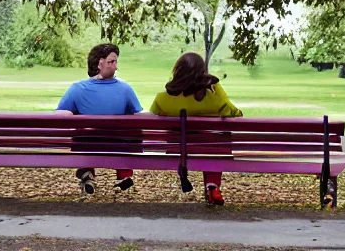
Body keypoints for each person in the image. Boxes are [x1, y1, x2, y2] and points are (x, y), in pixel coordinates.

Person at [149, 52, 243, 205]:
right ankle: (212, 185)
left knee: (209, 143)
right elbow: (231, 112)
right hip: (211, 148)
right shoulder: (213, 93)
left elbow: (154, 115)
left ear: (177, 71)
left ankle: (209, 185)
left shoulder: (163, 98)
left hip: (176, 149)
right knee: (214, 144)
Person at [56, 43, 143, 194]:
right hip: (118, 146)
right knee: (128, 134)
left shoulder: (77, 89)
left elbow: (60, 114)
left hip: (89, 145)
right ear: (99, 63)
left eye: (116, 62)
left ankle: (87, 172)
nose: (116, 67)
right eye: (112, 62)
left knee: (83, 134)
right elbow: (139, 117)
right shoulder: (125, 89)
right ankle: (124, 174)